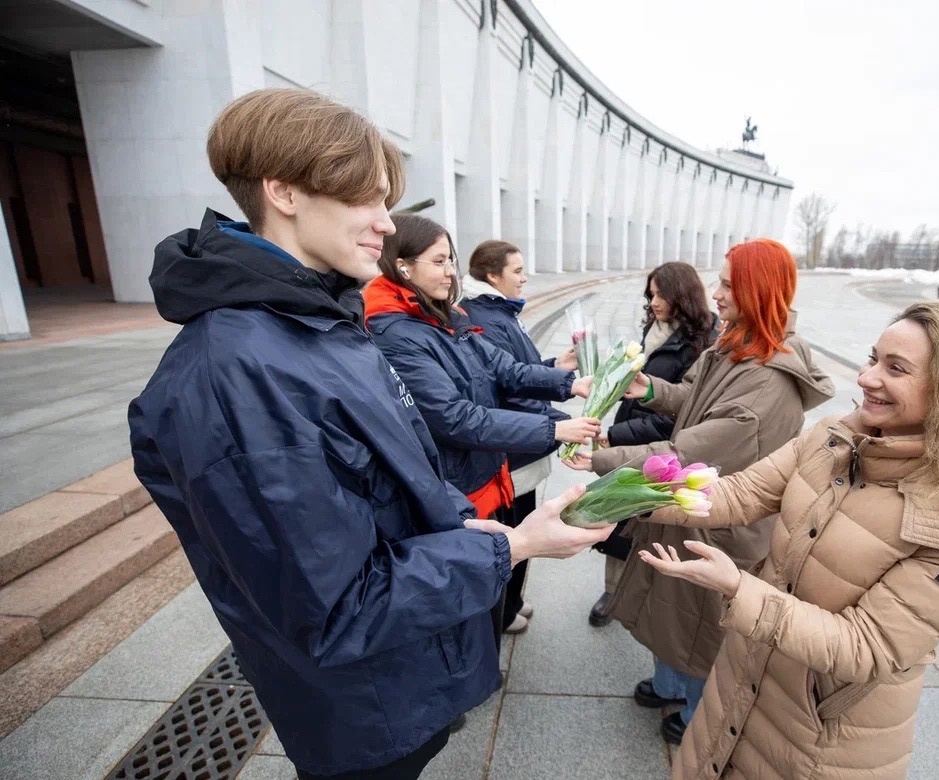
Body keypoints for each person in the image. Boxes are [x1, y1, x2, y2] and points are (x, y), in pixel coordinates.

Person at [128, 88, 613, 780]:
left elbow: (402, 484)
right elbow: (335, 609)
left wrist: (492, 532)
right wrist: (512, 550)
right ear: (284, 191)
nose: (388, 225)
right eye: (368, 200)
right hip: (363, 709)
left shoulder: (315, 324)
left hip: (401, 678)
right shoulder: (236, 372)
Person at [638, 301, 939, 780]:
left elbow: (865, 647)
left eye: (895, 369)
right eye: (873, 358)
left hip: (821, 738)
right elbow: (741, 492)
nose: (867, 377)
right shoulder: (833, 439)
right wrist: (625, 498)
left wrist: (738, 588)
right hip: (741, 684)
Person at [566, 239, 834, 745]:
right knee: (669, 607)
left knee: (697, 624)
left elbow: (689, 452)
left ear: (758, 290)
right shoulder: (739, 341)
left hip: (721, 521)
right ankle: (668, 683)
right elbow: (695, 398)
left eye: (729, 284)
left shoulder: (767, 383)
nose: (717, 294)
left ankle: (693, 711)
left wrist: (601, 459)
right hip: (696, 507)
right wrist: (649, 390)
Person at [363, 216, 602, 646]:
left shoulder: (439, 317)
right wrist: (555, 429)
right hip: (454, 483)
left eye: (451, 260)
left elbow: (504, 368)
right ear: (402, 266)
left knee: (485, 589)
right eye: (439, 261)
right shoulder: (396, 333)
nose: (451, 271)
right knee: (460, 604)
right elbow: (455, 418)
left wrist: (570, 383)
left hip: (482, 473)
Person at [586, 261, 719, 628]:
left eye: (660, 294)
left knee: (647, 522)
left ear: (682, 295)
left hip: (660, 450)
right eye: (650, 294)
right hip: (629, 432)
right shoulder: (655, 329)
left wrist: (616, 437)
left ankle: (641, 595)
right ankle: (612, 592)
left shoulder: (701, 344)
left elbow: (677, 414)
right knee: (617, 517)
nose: (653, 301)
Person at [459, 239, 578, 634]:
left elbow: (518, 369)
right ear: (492, 276)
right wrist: (558, 423)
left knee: (520, 526)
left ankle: (513, 604)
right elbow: (507, 389)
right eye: (517, 271)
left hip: (520, 441)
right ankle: (505, 610)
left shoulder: (498, 311)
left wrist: (553, 367)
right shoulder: (488, 319)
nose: (525, 277)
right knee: (516, 533)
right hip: (514, 448)